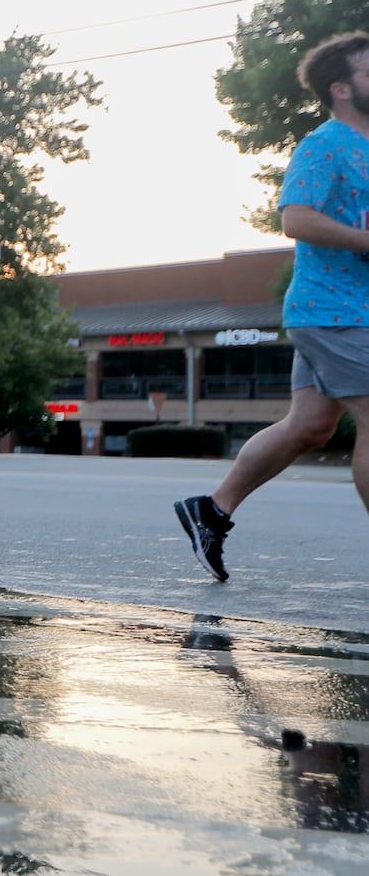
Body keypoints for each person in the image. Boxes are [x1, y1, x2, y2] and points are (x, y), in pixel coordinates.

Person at [176, 31, 369, 582]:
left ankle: (210, 511)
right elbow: (296, 219)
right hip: (336, 311)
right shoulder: (325, 145)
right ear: (342, 87)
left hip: (347, 311)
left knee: (310, 425)